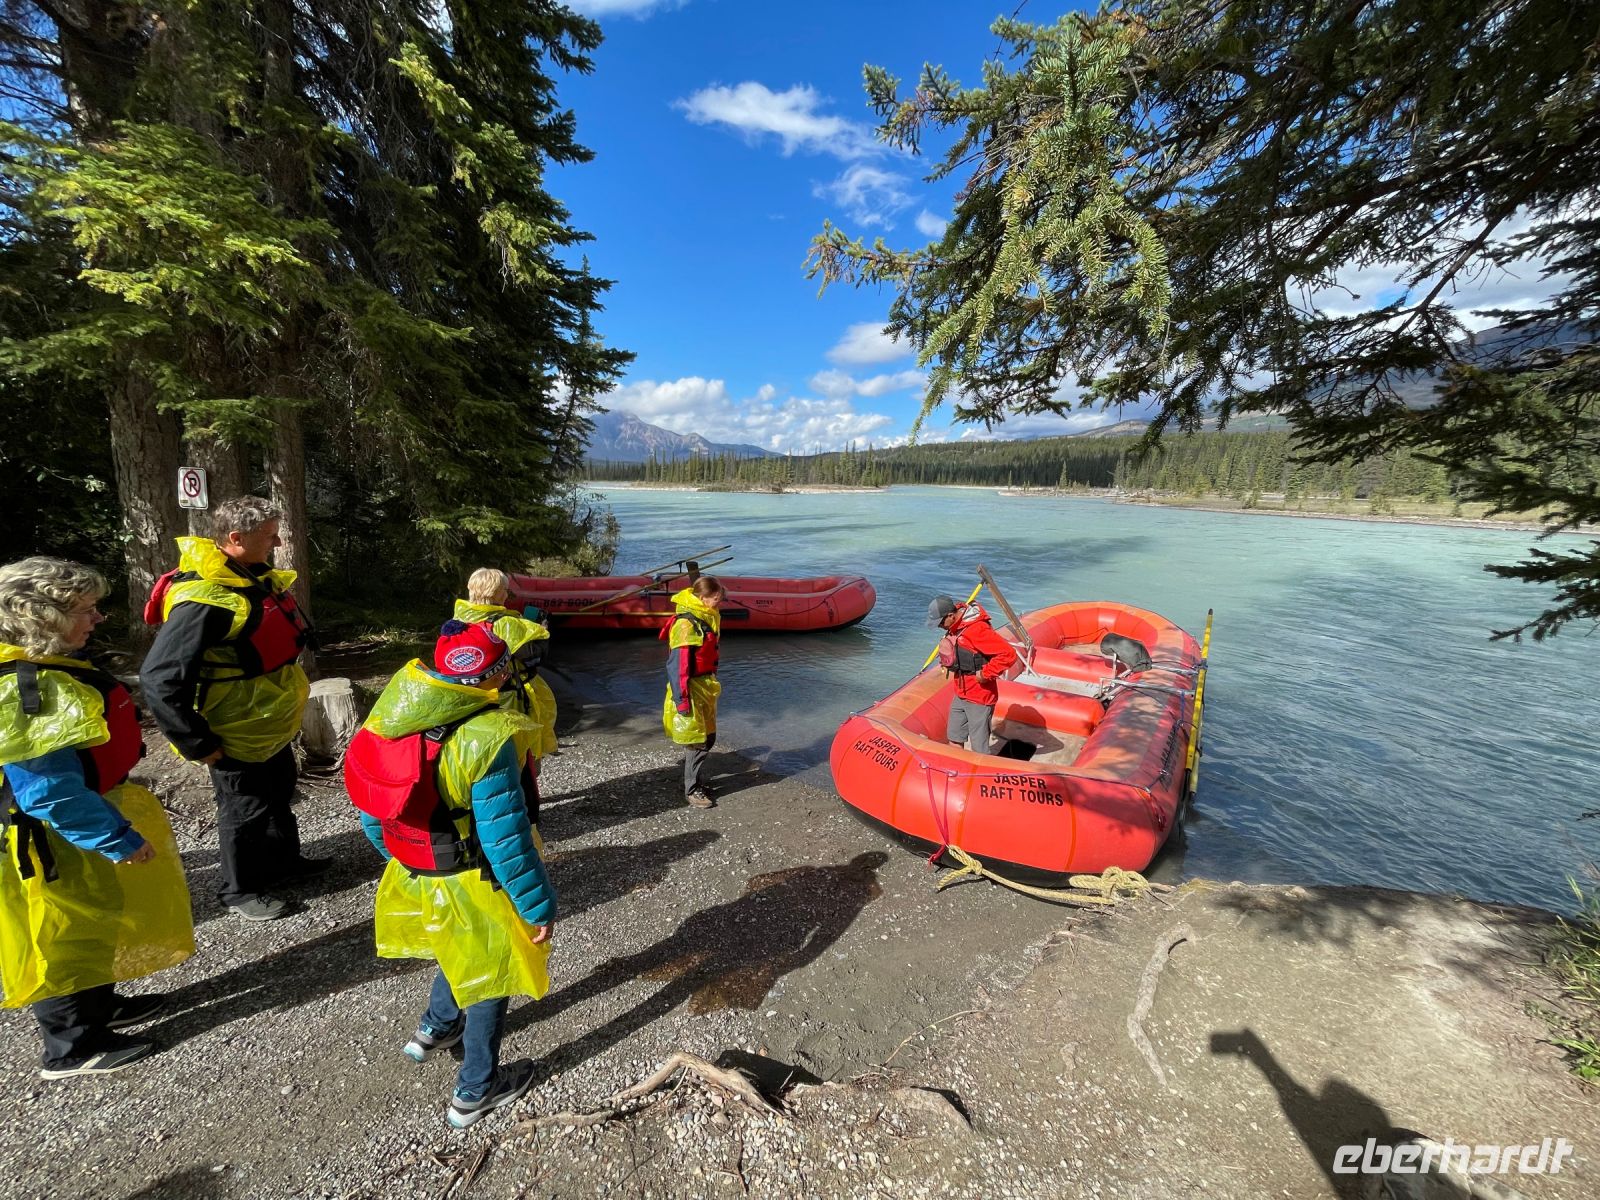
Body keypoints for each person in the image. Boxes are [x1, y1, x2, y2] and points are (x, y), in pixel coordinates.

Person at [344, 619, 555, 1128]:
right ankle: (475, 1090)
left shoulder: (394, 716)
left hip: (416, 868)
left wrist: (401, 857)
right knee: (490, 971)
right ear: (498, 675)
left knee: (452, 946)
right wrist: (537, 905)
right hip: (471, 876)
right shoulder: (486, 737)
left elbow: (371, 810)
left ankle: (436, 1027)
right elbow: (506, 839)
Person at [0, 557, 195, 1078]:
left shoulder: (49, 668)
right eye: (86, 610)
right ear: (42, 616)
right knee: (63, 931)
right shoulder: (27, 686)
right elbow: (48, 788)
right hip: (44, 834)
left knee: (94, 913)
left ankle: (98, 1005)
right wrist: (115, 838)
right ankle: (72, 1047)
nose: (97, 618)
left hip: (72, 820)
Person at [142, 496, 321, 921]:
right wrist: (196, 741)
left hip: (266, 721)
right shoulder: (203, 601)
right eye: (269, 535)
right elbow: (159, 677)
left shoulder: (250, 576)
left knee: (279, 793)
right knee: (244, 808)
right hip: (233, 727)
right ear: (235, 539)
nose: (277, 541)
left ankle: (283, 864)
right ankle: (239, 890)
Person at [453, 568, 558, 760]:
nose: (506, 594)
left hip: (471, 694)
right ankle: (526, 780)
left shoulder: (458, 621)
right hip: (507, 693)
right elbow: (532, 657)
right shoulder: (506, 623)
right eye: (505, 590)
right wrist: (541, 632)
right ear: (498, 593)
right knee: (520, 746)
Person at [928, 593, 1019, 755]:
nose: (940, 626)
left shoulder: (977, 630)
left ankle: (979, 774)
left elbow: (1008, 654)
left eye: (941, 623)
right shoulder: (955, 627)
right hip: (961, 692)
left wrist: (985, 674)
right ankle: (956, 772)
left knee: (979, 748)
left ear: (950, 615)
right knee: (954, 738)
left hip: (980, 697)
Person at [662, 575, 723, 808]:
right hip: (689, 688)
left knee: (708, 737)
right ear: (701, 597)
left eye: (720, 599)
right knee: (697, 741)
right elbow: (677, 666)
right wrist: (682, 701)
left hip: (705, 685)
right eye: (715, 599)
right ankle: (692, 789)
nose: (718, 603)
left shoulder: (706, 616)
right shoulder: (686, 625)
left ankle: (695, 781)